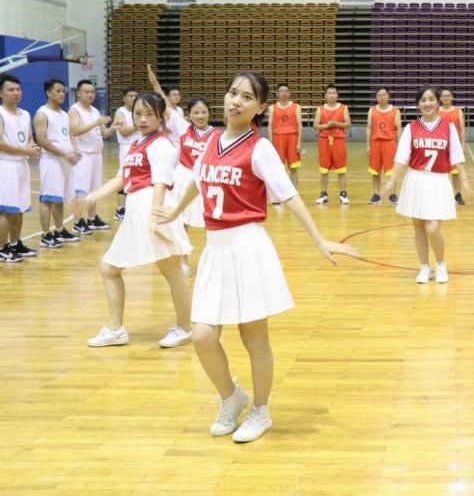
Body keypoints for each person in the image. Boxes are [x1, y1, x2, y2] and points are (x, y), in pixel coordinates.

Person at [154, 71, 357, 443]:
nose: (235, 101)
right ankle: (232, 397)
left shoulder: (259, 148)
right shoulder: (211, 140)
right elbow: (198, 180)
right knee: (201, 336)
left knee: (253, 337)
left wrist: (318, 239)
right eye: (232, 92)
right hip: (215, 248)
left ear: (260, 107)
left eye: (247, 97)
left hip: (247, 245)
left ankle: (261, 410)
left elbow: (288, 195)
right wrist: (174, 210)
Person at [81, 91, 194, 350]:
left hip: (152, 208)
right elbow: (122, 179)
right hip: (136, 209)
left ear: (160, 117)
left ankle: (185, 327)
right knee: (109, 268)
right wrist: (90, 197)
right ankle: (116, 329)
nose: (142, 119)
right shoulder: (137, 143)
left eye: (149, 114)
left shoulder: (162, 145)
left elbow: (160, 183)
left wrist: (154, 218)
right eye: (138, 114)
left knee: (172, 271)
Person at [381, 85, 474, 284]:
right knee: (419, 228)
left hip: (439, 180)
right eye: (423, 100)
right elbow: (401, 157)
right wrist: (391, 182)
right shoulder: (411, 128)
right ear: (418, 104)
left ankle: (441, 263)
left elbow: (457, 157)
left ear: (438, 102)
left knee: (432, 228)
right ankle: (424, 266)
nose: (427, 103)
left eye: (431, 99)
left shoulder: (448, 127)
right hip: (416, 179)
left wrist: (465, 182)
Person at [171, 97, 219, 278]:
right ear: (188, 115)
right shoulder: (184, 128)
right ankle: (183, 261)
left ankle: (212, 261)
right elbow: (167, 107)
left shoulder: (217, 135)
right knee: (181, 222)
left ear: (209, 113)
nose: (200, 115)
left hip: (205, 179)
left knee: (210, 222)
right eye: (196, 112)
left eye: (204, 112)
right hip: (183, 177)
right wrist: (155, 84)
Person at [70, 79, 122, 235]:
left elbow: (104, 133)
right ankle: (78, 222)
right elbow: (75, 131)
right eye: (86, 92)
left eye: (92, 92)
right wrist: (95, 123)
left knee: (94, 190)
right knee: (81, 190)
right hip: (83, 155)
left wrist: (113, 127)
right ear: (78, 93)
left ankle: (92, 219)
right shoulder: (74, 110)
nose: (90, 94)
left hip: (96, 155)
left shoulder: (95, 111)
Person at [34, 79, 82, 248]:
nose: (62, 94)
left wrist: (74, 149)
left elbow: (68, 135)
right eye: (58, 91)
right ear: (48, 93)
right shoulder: (42, 114)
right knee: (48, 199)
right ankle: (46, 235)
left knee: (59, 198)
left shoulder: (63, 114)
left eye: (63, 91)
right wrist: (63, 154)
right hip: (51, 161)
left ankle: (60, 230)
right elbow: (41, 140)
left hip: (65, 161)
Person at [0, 73, 41, 262]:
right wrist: (22, 149)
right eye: (11, 89)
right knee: (6, 210)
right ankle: (1, 248)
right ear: (1, 93)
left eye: (18, 89)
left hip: (22, 165)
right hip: (6, 166)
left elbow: (29, 137)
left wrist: (33, 148)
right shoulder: (1, 114)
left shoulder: (25, 114)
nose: (16, 93)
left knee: (19, 208)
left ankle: (16, 244)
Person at [313, 85, 351, 205]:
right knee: (324, 169)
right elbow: (315, 126)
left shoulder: (343, 108)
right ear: (325, 95)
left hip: (338, 140)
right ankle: (323, 194)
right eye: (329, 93)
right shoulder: (320, 109)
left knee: (341, 169)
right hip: (324, 141)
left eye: (334, 93)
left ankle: (343, 193)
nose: (331, 95)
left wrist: (336, 124)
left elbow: (348, 124)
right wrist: (326, 126)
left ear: (337, 95)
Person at [367, 87, 401, 204]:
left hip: (390, 143)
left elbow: (399, 129)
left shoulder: (395, 111)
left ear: (388, 96)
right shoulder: (372, 110)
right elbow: (369, 128)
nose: (381, 97)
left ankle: (392, 194)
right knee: (375, 171)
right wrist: (367, 145)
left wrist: (400, 145)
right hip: (375, 143)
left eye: (383, 95)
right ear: (376, 97)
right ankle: (376, 194)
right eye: (379, 95)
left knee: (391, 171)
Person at [267, 83, 301, 187]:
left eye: (286, 91)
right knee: (279, 167)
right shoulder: (272, 108)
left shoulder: (296, 107)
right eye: (281, 91)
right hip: (278, 138)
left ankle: (294, 191)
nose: (284, 93)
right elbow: (270, 126)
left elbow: (299, 125)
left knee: (293, 167)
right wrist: (271, 143)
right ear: (277, 94)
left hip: (292, 137)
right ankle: (283, 189)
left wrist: (299, 143)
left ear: (289, 93)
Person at [438, 88, 468, 205]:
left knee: (455, 172)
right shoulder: (436, 111)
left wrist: (463, 145)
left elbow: (462, 129)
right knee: (441, 172)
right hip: (441, 145)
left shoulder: (458, 111)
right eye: (444, 96)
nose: (446, 98)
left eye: (448, 96)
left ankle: (457, 194)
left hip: (454, 146)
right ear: (440, 99)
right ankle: (442, 195)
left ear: (452, 97)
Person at [114, 86, 139, 221]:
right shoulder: (120, 112)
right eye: (131, 96)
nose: (134, 98)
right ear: (124, 98)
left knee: (137, 177)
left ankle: (132, 207)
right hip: (126, 148)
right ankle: (120, 209)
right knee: (124, 177)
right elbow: (123, 131)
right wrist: (138, 124)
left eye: (136, 95)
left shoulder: (139, 111)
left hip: (139, 147)